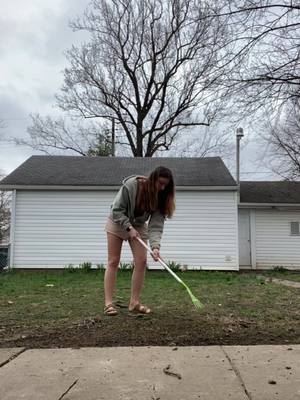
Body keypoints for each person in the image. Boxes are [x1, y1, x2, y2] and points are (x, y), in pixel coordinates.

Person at [103, 166, 175, 316]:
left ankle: (134, 303)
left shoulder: (161, 197)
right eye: (160, 183)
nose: (162, 188)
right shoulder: (132, 185)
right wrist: (128, 228)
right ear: (153, 179)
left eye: (165, 185)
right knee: (113, 261)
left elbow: (155, 226)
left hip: (138, 224)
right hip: (118, 220)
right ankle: (108, 303)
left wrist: (155, 247)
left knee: (141, 261)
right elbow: (116, 210)